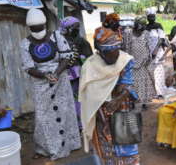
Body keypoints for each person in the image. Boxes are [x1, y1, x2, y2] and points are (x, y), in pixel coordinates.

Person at [79, 13, 140, 165]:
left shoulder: (125, 60)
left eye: (116, 51)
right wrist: (100, 108)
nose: (114, 57)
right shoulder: (90, 66)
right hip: (100, 113)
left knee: (126, 147)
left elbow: (127, 83)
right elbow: (88, 95)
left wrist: (118, 99)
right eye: (109, 54)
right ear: (99, 51)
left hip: (122, 111)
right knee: (106, 151)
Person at [20, 9, 81, 160]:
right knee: (43, 117)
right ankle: (45, 148)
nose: (37, 30)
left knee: (65, 111)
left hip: (60, 80)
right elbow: (28, 67)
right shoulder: (25, 44)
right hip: (40, 84)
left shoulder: (56, 36)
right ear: (29, 27)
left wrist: (57, 73)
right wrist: (45, 75)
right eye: (33, 28)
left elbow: (67, 57)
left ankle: (70, 144)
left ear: (44, 24)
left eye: (39, 27)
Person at [124, 16, 156, 109]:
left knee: (143, 82)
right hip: (132, 62)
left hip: (143, 62)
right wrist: (128, 60)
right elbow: (126, 46)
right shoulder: (128, 33)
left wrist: (147, 59)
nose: (142, 27)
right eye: (141, 25)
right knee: (132, 82)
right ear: (136, 24)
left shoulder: (146, 33)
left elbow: (149, 47)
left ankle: (144, 103)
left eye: (143, 25)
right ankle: (133, 101)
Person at [146, 8, 172, 98]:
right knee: (150, 73)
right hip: (148, 54)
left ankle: (160, 93)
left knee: (159, 73)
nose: (151, 18)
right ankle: (152, 92)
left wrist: (155, 52)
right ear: (147, 17)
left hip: (158, 53)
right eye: (149, 16)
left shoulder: (158, 26)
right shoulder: (146, 27)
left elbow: (161, 39)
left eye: (153, 16)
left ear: (155, 17)